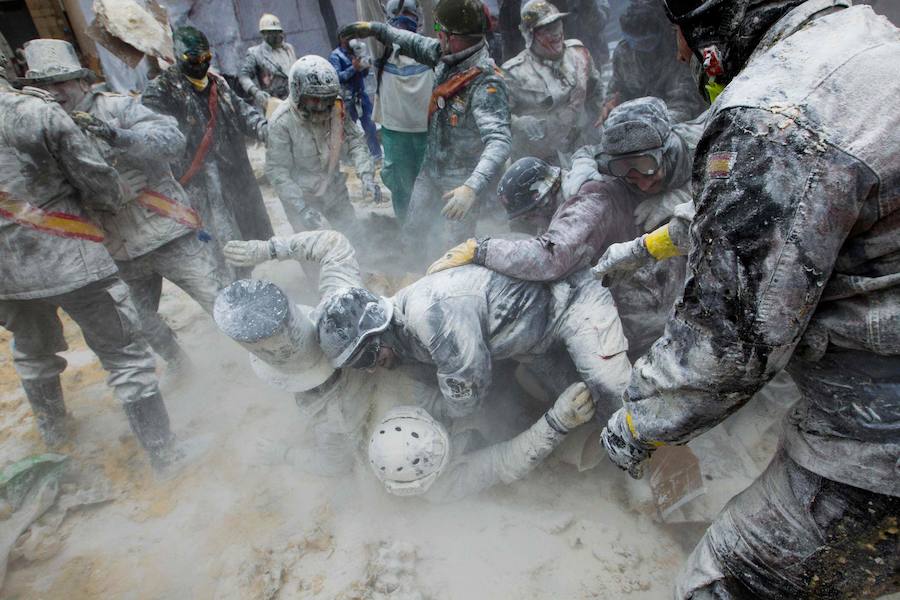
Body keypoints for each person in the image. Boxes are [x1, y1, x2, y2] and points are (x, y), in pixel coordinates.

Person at [599, 1, 900, 598]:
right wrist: (650, 246)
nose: (682, 54)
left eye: (683, 34)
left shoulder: (776, 112)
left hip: (876, 453)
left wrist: (633, 425)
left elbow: (727, 346)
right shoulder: (867, 44)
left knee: (724, 583)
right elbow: (794, 215)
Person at [217, 232, 602, 498]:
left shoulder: (339, 315)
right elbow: (502, 462)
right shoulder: (364, 434)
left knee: (498, 375)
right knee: (507, 405)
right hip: (429, 392)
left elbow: (334, 246)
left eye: (363, 360)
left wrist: (268, 249)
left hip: (433, 367)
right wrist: (556, 424)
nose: (365, 369)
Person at [0, 46, 178, 469]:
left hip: (6, 275)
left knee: (31, 353)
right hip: (71, 258)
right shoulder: (35, 113)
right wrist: (119, 192)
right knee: (125, 356)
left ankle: (55, 434)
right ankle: (166, 457)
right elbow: (94, 179)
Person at [429, 97, 699, 356]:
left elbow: (551, 256)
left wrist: (681, 199)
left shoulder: (701, 145)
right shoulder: (599, 186)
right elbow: (590, 154)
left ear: (667, 148)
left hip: (686, 303)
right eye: (623, 169)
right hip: (661, 314)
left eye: (645, 166)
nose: (639, 181)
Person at [26, 39, 229, 382]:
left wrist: (116, 136)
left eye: (60, 82)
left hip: (168, 233)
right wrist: (108, 193)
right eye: (44, 85)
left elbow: (171, 140)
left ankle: (259, 360)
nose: (54, 92)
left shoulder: (119, 108)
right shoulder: (44, 130)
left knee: (219, 300)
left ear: (81, 81)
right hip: (118, 249)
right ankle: (179, 363)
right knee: (137, 321)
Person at [339, 0, 511, 262]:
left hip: (459, 183)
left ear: (454, 37)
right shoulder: (447, 56)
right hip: (430, 173)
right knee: (413, 233)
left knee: (454, 252)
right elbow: (410, 41)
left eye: (441, 30)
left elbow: (499, 141)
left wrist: (471, 188)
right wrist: (376, 29)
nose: (436, 35)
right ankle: (413, 277)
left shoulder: (486, 82)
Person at [142, 26, 273, 279]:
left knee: (247, 238)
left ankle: (245, 282)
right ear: (178, 56)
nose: (201, 64)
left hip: (235, 176)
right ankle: (230, 292)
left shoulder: (217, 83)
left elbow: (243, 112)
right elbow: (157, 140)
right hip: (199, 185)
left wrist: (265, 128)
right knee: (218, 248)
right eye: (194, 59)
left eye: (206, 58)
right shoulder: (160, 91)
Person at [368, 382, 593, 502]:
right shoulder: (444, 488)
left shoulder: (402, 389)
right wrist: (558, 422)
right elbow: (505, 461)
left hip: (490, 389)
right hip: (501, 424)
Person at [265, 56, 380, 236]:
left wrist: (366, 176)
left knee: (355, 239)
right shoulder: (281, 122)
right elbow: (277, 171)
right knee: (312, 250)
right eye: (314, 99)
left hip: (334, 187)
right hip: (301, 195)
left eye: (326, 99)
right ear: (298, 93)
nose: (321, 106)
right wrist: (301, 208)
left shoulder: (336, 107)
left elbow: (355, 142)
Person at [502, 0, 604, 163]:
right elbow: (498, 115)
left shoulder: (579, 53)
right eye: (548, 29)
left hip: (583, 148)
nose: (556, 33)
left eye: (557, 25)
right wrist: (518, 123)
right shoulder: (513, 72)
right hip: (540, 160)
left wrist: (596, 121)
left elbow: (596, 90)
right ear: (531, 34)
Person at [374, 0, 434, 222]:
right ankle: (406, 231)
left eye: (410, 12)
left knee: (429, 185)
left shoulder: (430, 45)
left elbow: (435, 16)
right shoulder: (382, 51)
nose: (405, 18)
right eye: (399, 13)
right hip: (395, 133)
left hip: (426, 131)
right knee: (401, 186)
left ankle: (432, 233)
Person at [601, 0, 707, 124]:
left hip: (674, 123)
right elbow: (616, 88)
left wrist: (651, 125)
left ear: (658, 34)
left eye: (645, 42)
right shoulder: (623, 53)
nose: (639, 47)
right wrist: (611, 104)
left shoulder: (676, 54)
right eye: (634, 42)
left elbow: (683, 104)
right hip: (634, 121)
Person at [499, 0, 610, 67]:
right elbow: (510, 38)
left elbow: (597, 24)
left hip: (581, 67)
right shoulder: (519, 6)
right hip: (538, 77)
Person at [330, 37, 382, 162]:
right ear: (342, 39)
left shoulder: (356, 52)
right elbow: (338, 77)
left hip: (360, 95)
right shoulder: (335, 56)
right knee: (349, 131)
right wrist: (353, 67)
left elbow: (363, 75)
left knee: (370, 125)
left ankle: (376, 155)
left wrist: (365, 66)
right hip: (347, 98)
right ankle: (350, 159)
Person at [239, 13, 297, 112]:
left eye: (278, 31)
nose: (276, 35)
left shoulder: (288, 48)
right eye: (271, 32)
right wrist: (256, 92)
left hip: (296, 101)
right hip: (275, 105)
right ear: (264, 34)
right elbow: (243, 76)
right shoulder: (255, 53)